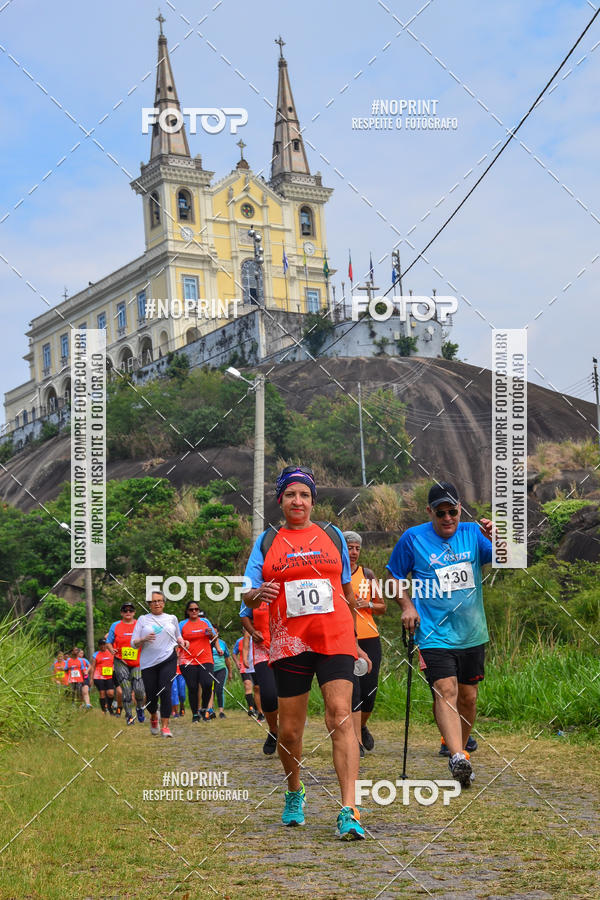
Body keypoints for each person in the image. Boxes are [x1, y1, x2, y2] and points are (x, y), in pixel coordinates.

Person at [242, 465, 371, 840]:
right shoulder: (267, 541)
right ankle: (294, 790)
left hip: (334, 638)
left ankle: (349, 808)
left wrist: (356, 639)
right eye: (291, 494)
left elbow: (346, 592)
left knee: (340, 716)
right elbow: (246, 592)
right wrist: (256, 594)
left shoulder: (331, 535)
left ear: (313, 501)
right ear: (280, 499)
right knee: (290, 730)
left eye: (305, 495)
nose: (298, 501)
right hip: (289, 642)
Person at [386, 481, 493, 788]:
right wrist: (407, 606)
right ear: (429, 511)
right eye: (441, 513)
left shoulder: (473, 533)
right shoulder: (413, 538)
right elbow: (393, 577)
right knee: (445, 690)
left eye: (453, 512)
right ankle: (458, 756)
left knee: (468, 698)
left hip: (472, 632)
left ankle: (458, 746)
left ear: (461, 509)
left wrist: (497, 537)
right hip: (432, 632)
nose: (448, 518)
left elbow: (509, 558)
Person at [343, 531, 385, 756]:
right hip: (346, 637)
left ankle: (361, 725)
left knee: (370, 691)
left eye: (357, 548)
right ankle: (356, 742)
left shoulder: (367, 575)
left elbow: (382, 606)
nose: (354, 552)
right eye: (349, 547)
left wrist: (366, 602)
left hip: (370, 638)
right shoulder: (337, 574)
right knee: (354, 691)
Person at [132, 590, 189, 738]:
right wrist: (143, 639)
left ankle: (165, 727)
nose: (156, 603)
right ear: (149, 604)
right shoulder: (143, 620)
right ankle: (153, 716)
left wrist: (183, 642)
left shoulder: (172, 618)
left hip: (168, 659)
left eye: (159, 601)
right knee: (151, 695)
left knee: (166, 691)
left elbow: (178, 637)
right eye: (153, 601)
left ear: (163, 603)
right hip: (148, 663)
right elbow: (133, 643)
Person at [239, 600, 279, 754]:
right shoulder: (254, 592)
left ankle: (290, 734)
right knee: (268, 695)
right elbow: (244, 615)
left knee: (288, 694)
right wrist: (252, 630)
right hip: (263, 650)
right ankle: (274, 731)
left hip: (287, 645)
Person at [106, 602, 146, 726]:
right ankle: (129, 716)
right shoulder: (115, 625)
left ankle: (139, 707)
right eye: (125, 610)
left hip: (137, 661)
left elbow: (146, 639)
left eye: (130, 610)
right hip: (120, 661)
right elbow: (108, 642)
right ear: (121, 613)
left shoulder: (140, 624)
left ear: (134, 612)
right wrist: (111, 650)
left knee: (139, 689)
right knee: (127, 690)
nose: (128, 612)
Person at [178, 600, 216, 723]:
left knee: (207, 684)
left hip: (205, 658)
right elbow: (176, 640)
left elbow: (214, 638)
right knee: (193, 687)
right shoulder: (182, 624)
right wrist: (182, 643)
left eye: (196, 609)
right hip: (188, 660)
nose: (194, 611)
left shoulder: (205, 622)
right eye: (191, 609)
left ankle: (204, 709)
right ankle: (195, 713)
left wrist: (211, 634)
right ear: (187, 611)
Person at [232, 634, 260, 717]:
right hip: (244, 666)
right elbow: (234, 653)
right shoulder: (239, 640)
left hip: (256, 666)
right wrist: (237, 662)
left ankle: (257, 708)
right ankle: (251, 708)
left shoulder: (257, 637)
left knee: (257, 688)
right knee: (248, 686)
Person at [210, 627, 232, 718]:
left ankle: (221, 711)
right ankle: (211, 710)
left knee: (219, 689)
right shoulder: (208, 643)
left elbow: (227, 659)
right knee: (211, 690)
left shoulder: (222, 643)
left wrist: (230, 671)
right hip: (210, 669)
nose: (214, 634)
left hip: (221, 669)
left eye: (215, 632)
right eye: (212, 632)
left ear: (218, 633)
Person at [90, 638, 115, 714]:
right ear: (99, 646)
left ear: (106, 645)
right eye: (101, 645)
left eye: (104, 644)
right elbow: (93, 666)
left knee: (110, 693)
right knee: (102, 693)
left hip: (109, 676)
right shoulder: (96, 654)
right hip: (98, 676)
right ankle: (104, 710)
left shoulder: (111, 652)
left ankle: (109, 707)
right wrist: (91, 678)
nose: (103, 646)